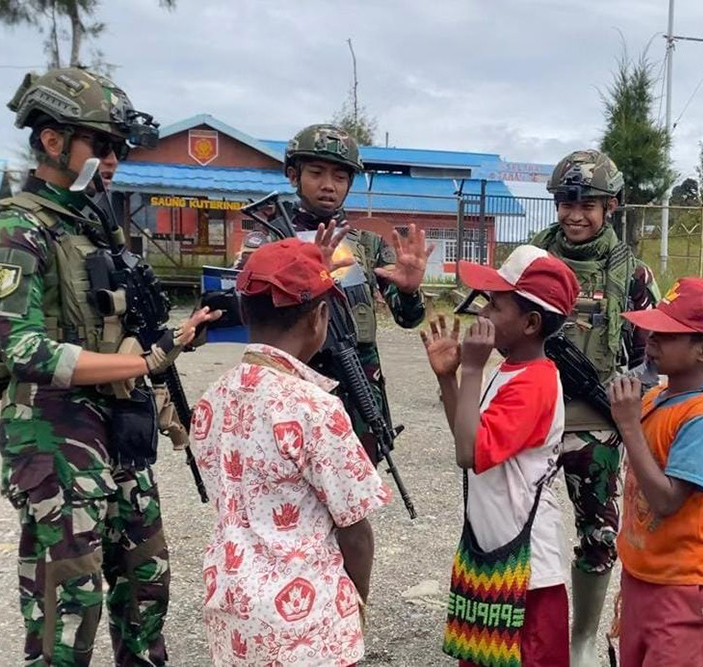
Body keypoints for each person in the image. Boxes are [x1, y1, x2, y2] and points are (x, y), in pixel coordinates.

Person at [0, 67, 220, 665]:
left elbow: (116, 333)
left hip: (118, 427)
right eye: (102, 145)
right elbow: (16, 348)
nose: (114, 160)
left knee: (147, 585)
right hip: (53, 432)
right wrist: (140, 360)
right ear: (52, 141)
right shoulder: (19, 228)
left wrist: (174, 341)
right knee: (69, 607)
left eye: (119, 148)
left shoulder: (97, 229)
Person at [193, 236, 390, 665]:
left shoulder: (211, 400)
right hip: (308, 625)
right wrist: (356, 603)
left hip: (233, 609)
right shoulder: (316, 408)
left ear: (245, 312)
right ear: (321, 317)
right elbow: (355, 530)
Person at [529, 149, 659, 664]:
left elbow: (651, 357)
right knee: (523, 531)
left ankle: (583, 639)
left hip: (597, 428)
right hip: (533, 419)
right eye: (567, 202)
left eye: (589, 204)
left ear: (612, 206)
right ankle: (529, 632)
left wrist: (629, 406)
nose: (575, 214)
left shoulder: (633, 274)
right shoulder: (532, 261)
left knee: (599, 535)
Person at [234, 123, 431, 462]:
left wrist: (411, 291)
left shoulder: (367, 245)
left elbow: (408, 319)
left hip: (358, 383)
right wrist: (304, 274)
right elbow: (239, 312)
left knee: (355, 481)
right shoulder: (268, 240)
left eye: (340, 177)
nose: (328, 185)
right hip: (290, 383)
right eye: (316, 173)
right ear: (293, 175)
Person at [423, 245, 580, 667]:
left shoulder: (535, 384)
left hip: (529, 573)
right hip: (496, 556)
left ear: (530, 323)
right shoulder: (510, 372)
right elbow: (469, 433)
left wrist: (470, 370)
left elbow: (468, 454)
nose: (483, 313)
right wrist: (449, 380)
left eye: (495, 304)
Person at [608, 277, 703, 666]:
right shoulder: (658, 396)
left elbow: (669, 500)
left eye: (668, 333)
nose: (651, 335)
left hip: (684, 586)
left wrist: (628, 426)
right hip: (644, 575)